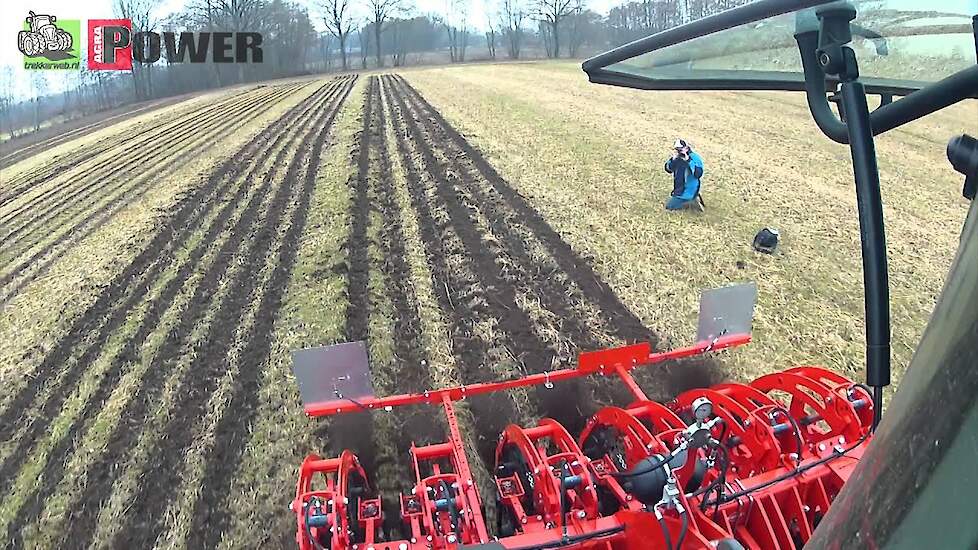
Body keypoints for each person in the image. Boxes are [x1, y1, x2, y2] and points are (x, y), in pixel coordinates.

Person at [664, 138, 705, 211]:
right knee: (671, 204)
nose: (679, 151)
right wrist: (672, 160)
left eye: (680, 149)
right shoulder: (677, 158)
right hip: (679, 189)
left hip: (688, 190)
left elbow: (698, 174)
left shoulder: (694, 158)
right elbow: (668, 169)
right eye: (677, 149)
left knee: (669, 207)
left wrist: (688, 161)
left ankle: (691, 201)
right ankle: (693, 199)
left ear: (686, 148)